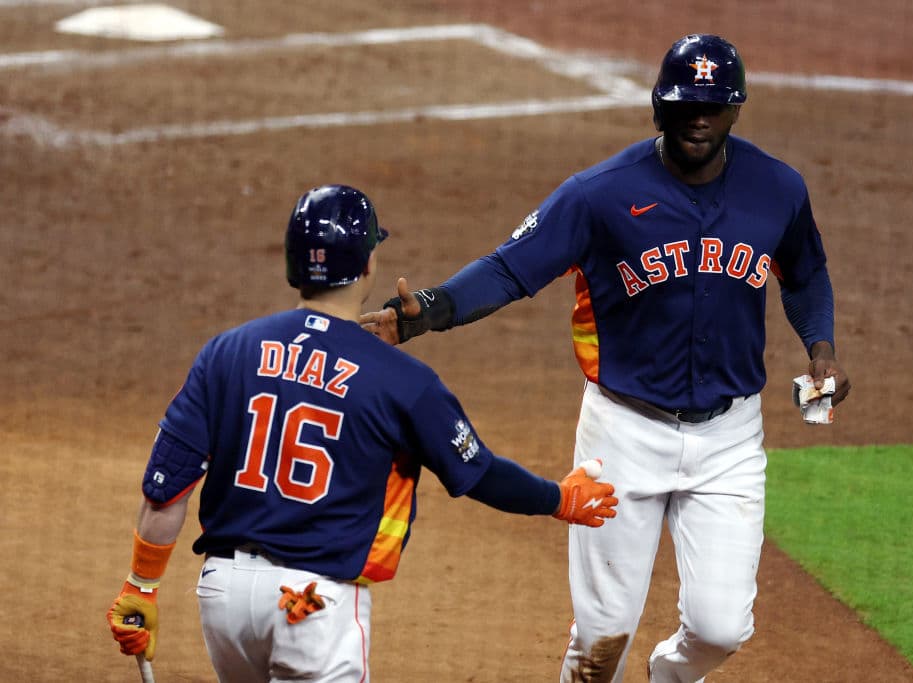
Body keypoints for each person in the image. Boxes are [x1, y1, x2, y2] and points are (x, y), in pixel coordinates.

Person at [359, 34, 852, 683]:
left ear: (736, 108)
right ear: (658, 107)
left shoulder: (777, 189)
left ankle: (667, 675)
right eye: (684, 104)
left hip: (731, 437)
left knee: (721, 626)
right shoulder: (600, 194)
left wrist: (822, 350)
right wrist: (430, 310)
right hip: (623, 433)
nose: (698, 118)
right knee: (601, 637)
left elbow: (807, 274)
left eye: (714, 104)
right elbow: (511, 269)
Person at [105, 184, 619, 682]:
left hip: (223, 598)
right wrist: (558, 499)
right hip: (312, 607)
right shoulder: (403, 381)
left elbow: (168, 481)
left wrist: (141, 585)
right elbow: (477, 471)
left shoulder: (227, 352)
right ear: (369, 264)